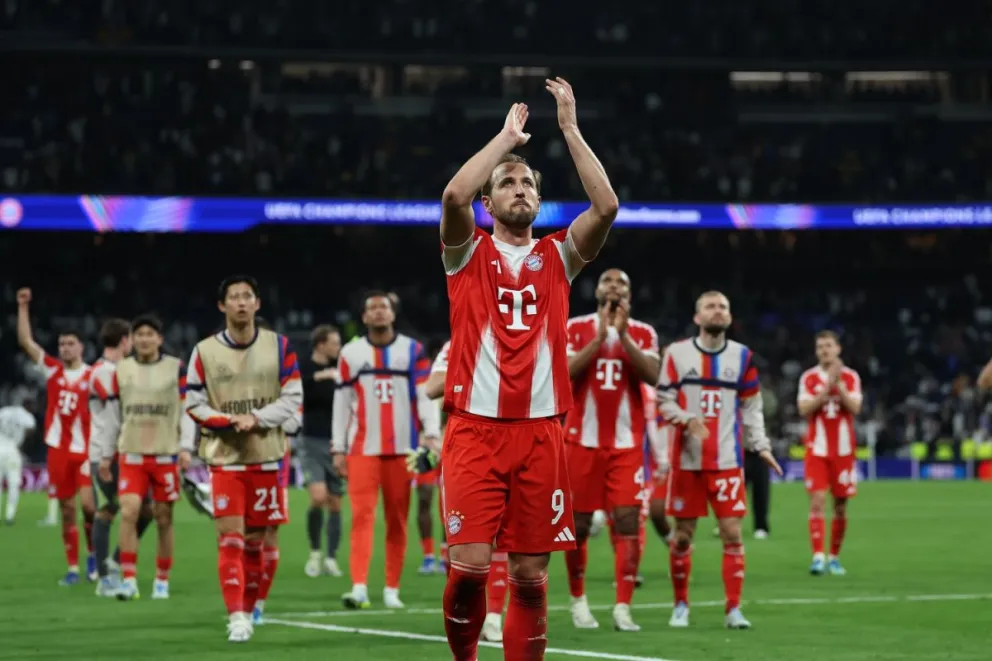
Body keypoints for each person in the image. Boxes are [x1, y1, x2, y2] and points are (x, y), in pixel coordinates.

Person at [438, 77, 619, 660]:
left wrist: (568, 128)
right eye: (508, 183)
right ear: (490, 204)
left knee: (530, 579)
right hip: (474, 431)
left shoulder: (559, 257)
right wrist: (505, 140)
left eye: (527, 183)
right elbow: (452, 197)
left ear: (539, 201)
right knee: (467, 570)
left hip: (543, 434)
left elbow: (608, 206)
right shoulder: (468, 253)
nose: (520, 188)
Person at [184, 275, 302, 642]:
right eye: (233, 297)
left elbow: (293, 396)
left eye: (246, 296)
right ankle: (236, 615)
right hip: (226, 459)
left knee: (256, 543)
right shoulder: (204, 351)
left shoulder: (280, 346)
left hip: (267, 457)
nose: (240, 303)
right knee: (230, 539)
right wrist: (226, 422)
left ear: (257, 303)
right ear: (222, 306)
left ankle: (251, 609)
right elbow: (193, 402)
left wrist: (257, 419)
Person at [657, 291, 783, 630]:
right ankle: (681, 604)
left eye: (723, 306)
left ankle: (733, 609)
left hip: (727, 461)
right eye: (710, 306)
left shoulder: (742, 357)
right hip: (688, 462)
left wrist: (762, 445)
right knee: (682, 536)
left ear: (730, 316)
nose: (718, 311)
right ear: (697, 317)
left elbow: (752, 407)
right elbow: (662, 399)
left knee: (732, 534)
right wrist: (684, 418)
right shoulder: (677, 354)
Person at [562, 268, 660, 632]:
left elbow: (653, 375)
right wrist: (601, 337)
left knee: (627, 521)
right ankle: (578, 601)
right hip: (580, 441)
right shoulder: (575, 327)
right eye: (608, 281)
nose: (615, 287)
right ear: (597, 290)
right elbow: (566, 370)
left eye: (622, 283)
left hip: (626, 445)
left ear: (629, 294)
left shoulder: (644, 332)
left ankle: (622, 607)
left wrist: (623, 337)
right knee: (580, 525)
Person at [331, 291, 440, 610]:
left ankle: (392, 588)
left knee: (397, 520)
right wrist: (338, 447)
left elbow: (425, 395)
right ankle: (359, 587)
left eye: (384, 307)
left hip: (401, 450)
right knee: (361, 517)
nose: (379, 312)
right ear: (364, 318)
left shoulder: (412, 350)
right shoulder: (351, 354)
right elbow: (342, 403)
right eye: (372, 308)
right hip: (362, 448)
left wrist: (431, 434)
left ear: (393, 314)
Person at [93, 314, 197, 601]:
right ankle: (129, 579)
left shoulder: (175, 368)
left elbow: (188, 410)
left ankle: (162, 580)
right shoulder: (121, 369)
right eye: (139, 334)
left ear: (159, 339)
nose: (144, 339)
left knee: (164, 519)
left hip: (165, 454)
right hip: (132, 454)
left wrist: (187, 447)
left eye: (150, 334)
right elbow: (113, 416)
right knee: (129, 511)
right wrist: (105, 455)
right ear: (133, 339)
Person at [424, 339, 508, 642]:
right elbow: (432, 387)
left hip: (512, 448)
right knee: (459, 540)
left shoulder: (528, 337)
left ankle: (495, 616)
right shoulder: (458, 343)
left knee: (504, 539)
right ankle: (464, 613)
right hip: (465, 453)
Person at [16, 287, 99, 585]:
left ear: (81, 348)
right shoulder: (52, 370)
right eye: (62, 344)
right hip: (59, 451)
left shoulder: (94, 375)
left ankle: (93, 554)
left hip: (86, 450)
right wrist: (23, 307)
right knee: (66, 510)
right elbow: (26, 341)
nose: (64, 348)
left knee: (89, 507)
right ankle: (74, 568)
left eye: (70, 344)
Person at [88, 318, 156, 598]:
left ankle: (115, 561)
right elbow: (120, 411)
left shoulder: (121, 370)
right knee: (113, 509)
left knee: (145, 510)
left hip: (126, 453)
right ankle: (105, 577)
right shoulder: (103, 372)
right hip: (105, 453)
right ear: (125, 340)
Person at [797, 330, 863, 576]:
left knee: (841, 506)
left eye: (828, 346)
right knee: (817, 501)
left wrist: (839, 385)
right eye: (820, 347)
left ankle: (834, 557)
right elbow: (803, 408)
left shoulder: (851, 377)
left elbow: (855, 407)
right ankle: (817, 557)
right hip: (817, 449)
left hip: (844, 451)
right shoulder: (809, 377)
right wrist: (826, 389)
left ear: (838, 349)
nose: (824, 350)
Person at [299, 324, 345, 579]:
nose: (338, 347)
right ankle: (315, 553)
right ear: (321, 344)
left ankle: (331, 557)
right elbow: (296, 390)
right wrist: (321, 376)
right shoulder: (305, 366)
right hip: (311, 439)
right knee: (318, 497)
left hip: (336, 442)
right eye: (334, 342)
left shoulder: (342, 370)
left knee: (336, 502)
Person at [0, 399, 37, 525]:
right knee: (13, 484)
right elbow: (31, 430)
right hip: (12, 451)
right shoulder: (27, 416)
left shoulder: (5, 411)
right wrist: (21, 436)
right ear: (28, 405)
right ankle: (9, 516)